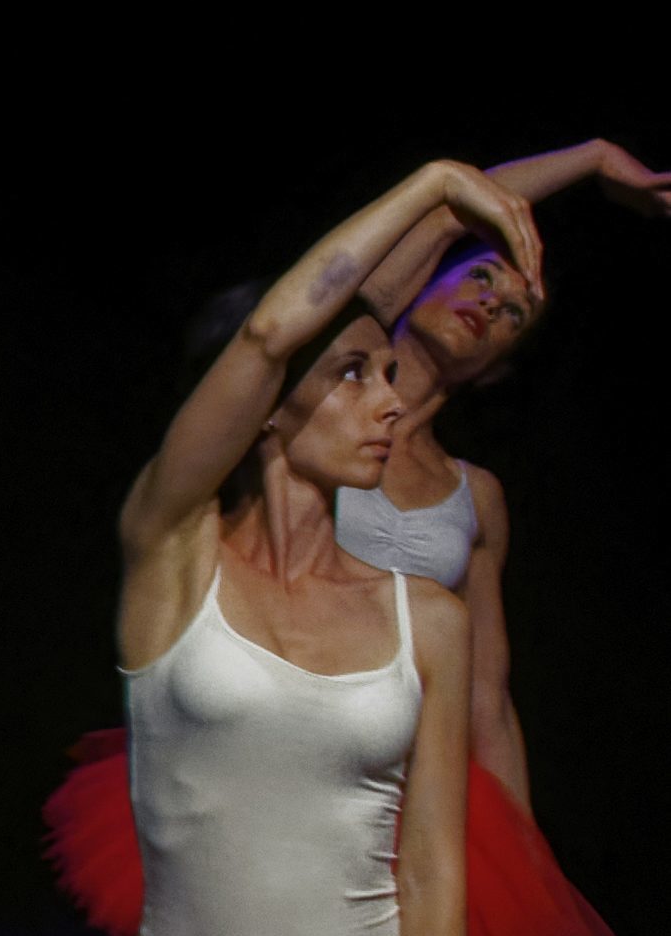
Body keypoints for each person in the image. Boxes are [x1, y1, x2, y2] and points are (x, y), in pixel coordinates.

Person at [47, 141, 655, 935]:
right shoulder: (182, 541)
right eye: (354, 373)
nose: (386, 402)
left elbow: (450, 810)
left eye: (516, 311)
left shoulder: (435, 597)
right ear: (270, 401)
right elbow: (281, 328)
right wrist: (460, 178)